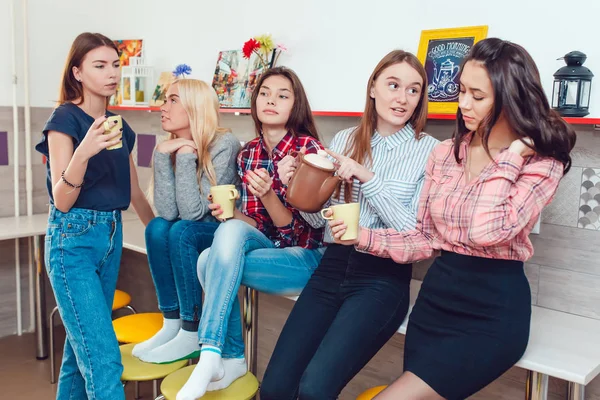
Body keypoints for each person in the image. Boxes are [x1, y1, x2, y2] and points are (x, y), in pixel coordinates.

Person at [340, 38, 576, 400]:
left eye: (477, 96)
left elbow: (489, 230)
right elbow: (423, 238)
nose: (463, 104)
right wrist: (362, 237)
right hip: (436, 302)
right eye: (461, 91)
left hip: (492, 314)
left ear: (509, 98)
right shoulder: (445, 154)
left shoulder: (542, 163)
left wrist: (511, 155)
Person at [260, 50, 439, 400]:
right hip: (331, 267)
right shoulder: (343, 141)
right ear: (373, 88)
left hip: (382, 281)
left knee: (314, 389)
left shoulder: (430, 151)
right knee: (275, 388)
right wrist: (295, 186)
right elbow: (318, 220)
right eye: (393, 85)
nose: (402, 98)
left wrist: (366, 178)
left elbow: (415, 232)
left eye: (413, 90)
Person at [176, 67, 326, 400]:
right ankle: (226, 359)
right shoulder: (249, 153)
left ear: (295, 105)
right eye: (265, 93)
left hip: (305, 259)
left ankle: (214, 354)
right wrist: (232, 215)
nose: (271, 100)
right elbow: (259, 227)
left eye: (282, 95)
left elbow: (296, 235)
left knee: (209, 262)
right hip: (268, 249)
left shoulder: (309, 151)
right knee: (208, 256)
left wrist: (270, 194)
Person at [35, 32, 155, 399]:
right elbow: (62, 198)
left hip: (110, 237)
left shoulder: (121, 126)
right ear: (78, 73)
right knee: (104, 361)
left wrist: (158, 234)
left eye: (116, 65)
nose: (111, 73)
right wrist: (84, 151)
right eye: (99, 65)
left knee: (79, 352)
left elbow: (133, 190)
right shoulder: (64, 120)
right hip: (72, 240)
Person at [132, 79, 241, 364]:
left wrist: (184, 157)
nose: (162, 107)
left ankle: (191, 328)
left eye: (172, 100)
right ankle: (172, 323)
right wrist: (161, 155)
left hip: (222, 229)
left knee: (181, 230)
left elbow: (194, 214)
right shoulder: (171, 144)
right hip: (189, 228)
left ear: (194, 107)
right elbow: (167, 212)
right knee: (157, 227)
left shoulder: (224, 143)